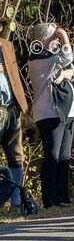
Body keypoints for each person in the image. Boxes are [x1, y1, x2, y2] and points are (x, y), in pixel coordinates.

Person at [27, 23, 74, 208]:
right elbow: (68, 57)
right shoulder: (39, 58)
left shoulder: (53, 57)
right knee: (52, 156)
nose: (56, 39)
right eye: (53, 37)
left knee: (64, 157)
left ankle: (62, 198)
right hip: (49, 113)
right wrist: (64, 35)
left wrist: (67, 73)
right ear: (41, 41)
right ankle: (50, 200)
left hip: (67, 113)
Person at [0, 25, 30, 210]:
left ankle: (17, 202)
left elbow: (14, 75)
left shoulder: (7, 45)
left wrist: (22, 102)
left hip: (12, 106)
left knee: (16, 156)